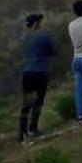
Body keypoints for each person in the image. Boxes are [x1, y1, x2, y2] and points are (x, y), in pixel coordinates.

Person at [19, 13, 56, 142]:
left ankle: (22, 131)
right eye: (40, 22)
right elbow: (52, 52)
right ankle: (33, 128)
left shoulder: (23, 38)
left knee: (26, 103)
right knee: (38, 101)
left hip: (27, 73)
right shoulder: (43, 37)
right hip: (40, 72)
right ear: (36, 23)